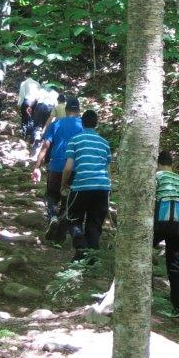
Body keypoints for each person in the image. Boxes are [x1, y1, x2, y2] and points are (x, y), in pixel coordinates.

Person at [63, 109, 112, 257]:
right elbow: (108, 171)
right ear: (96, 124)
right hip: (102, 187)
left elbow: (68, 167)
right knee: (95, 224)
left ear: (82, 123)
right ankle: (91, 258)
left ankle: (81, 251)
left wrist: (63, 184)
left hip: (82, 186)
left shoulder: (75, 140)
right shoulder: (105, 143)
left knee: (74, 219)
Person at [153, 150, 179, 315]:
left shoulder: (156, 177)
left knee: (138, 252)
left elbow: (150, 199)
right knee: (175, 265)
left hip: (161, 223)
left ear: (158, 163)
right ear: (171, 164)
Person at [36, 96, 83, 217]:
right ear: (78, 111)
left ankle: (52, 216)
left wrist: (37, 166)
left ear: (66, 110)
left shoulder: (55, 124)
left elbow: (45, 147)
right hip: (75, 168)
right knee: (69, 199)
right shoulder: (84, 126)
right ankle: (63, 219)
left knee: (52, 195)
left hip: (56, 166)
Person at [19, 76, 41, 142]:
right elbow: (38, 95)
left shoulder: (24, 83)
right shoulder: (37, 83)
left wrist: (19, 103)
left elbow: (22, 94)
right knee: (32, 118)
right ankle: (31, 135)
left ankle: (24, 134)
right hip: (34, 102)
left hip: (27, 101)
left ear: (26, 76)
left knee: (24, 117)